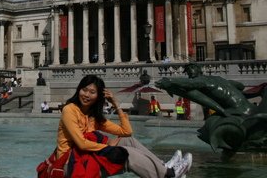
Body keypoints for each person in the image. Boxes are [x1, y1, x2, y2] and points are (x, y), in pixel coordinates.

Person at [38, 74, 192, 178]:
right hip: (69, 162)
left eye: (92, 92)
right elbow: (81, 143)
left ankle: (162, 166)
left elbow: (127, 131)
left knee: (128, 141)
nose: (86, 94)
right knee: (125, 153)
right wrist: (107, 147)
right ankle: (168, 175)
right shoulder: (69, 110)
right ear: (79, 89)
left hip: (85, 154)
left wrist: (117, 105)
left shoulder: (94, 115)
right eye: (84, 90)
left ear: (98, 96)